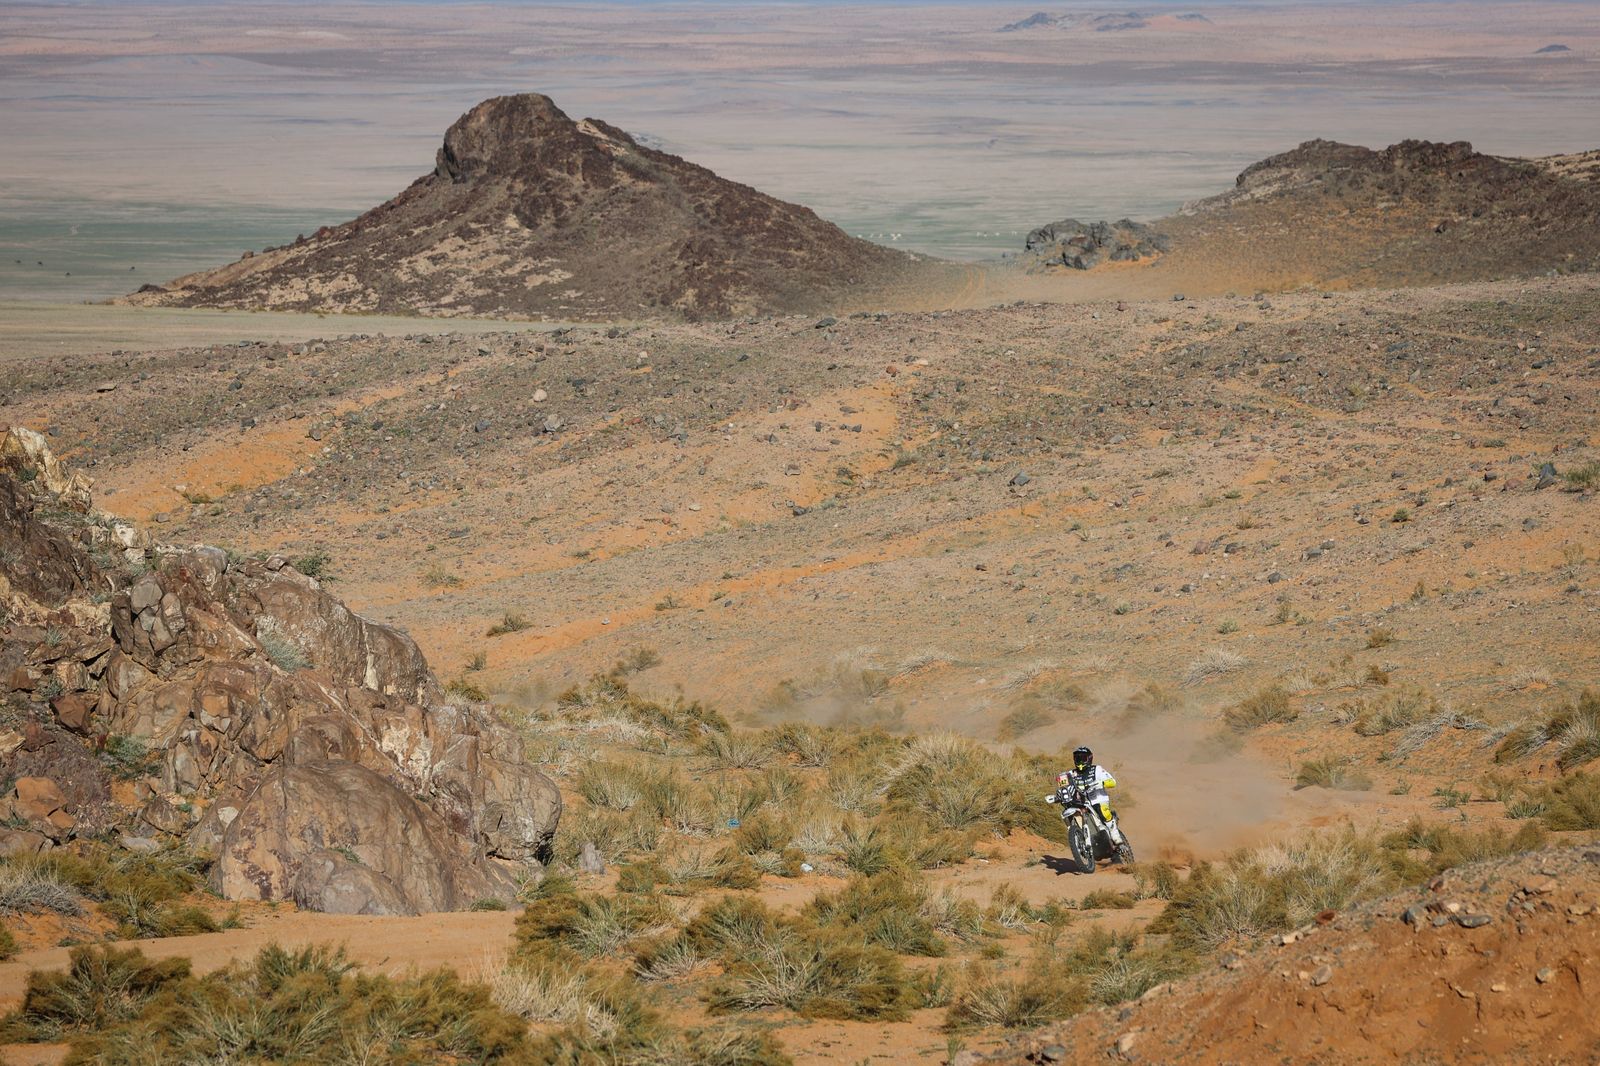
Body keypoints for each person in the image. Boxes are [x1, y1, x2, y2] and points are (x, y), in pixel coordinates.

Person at [1055, 745, 1125, 845]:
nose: (1080, 761)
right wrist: (1059, 793)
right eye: (1077, 758)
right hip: (1080, 802)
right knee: (1067, 812)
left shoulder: (1096, 769)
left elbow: (1112, 782)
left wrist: (1102, 783)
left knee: (1102, 811)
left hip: (1098, 799)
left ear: (1089, 758)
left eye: (1083, 758)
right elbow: (1063, 786)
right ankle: (1077, 837)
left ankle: (1114, 833)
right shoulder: (1070, 774)